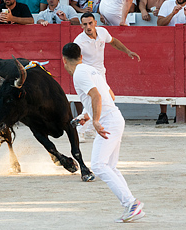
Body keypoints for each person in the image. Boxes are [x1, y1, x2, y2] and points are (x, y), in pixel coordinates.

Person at [61, 42, 145, 222]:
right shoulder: (91, 70)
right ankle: (132, 204)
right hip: (115, 118)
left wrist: (96, 120)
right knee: (110, 167)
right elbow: (110, 96)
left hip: (108, 122)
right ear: (81, 57)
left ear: (64, 61)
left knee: (99, 166)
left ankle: (131, 204)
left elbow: (97, 96)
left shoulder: (78, 74)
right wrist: (87, 115)